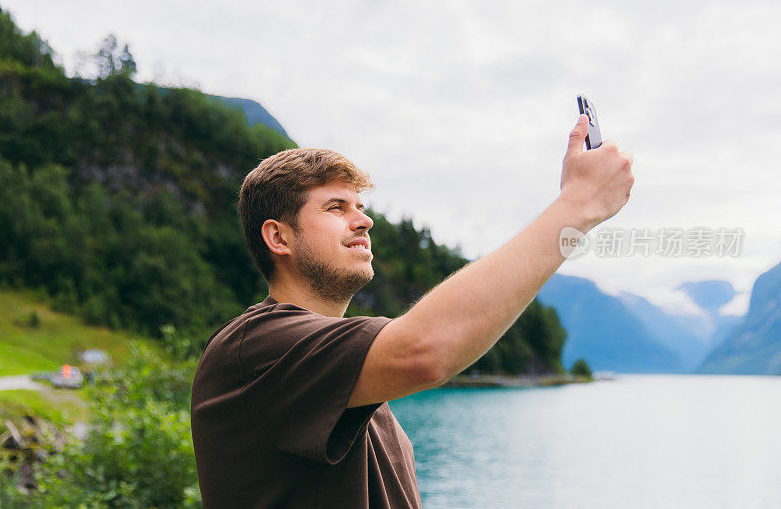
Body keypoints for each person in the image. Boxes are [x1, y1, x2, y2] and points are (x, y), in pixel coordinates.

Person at [190, 114, 634, 508]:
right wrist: (577, 206)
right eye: (335, 207)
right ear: (279, 238)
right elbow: (424, 351)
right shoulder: (255, 350)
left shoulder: (350, 379)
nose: (364, 221)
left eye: (361, 207)